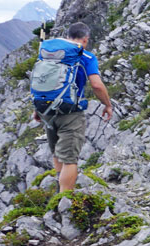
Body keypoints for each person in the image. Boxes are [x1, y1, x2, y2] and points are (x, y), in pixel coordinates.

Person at [31, 22, 113, 193]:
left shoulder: (49, 54)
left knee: (56, 152)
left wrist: (37, 108)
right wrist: (107, 104)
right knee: (70, 159)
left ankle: (58, 186)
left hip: (46, 109)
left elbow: (41, 81)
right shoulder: (86, 57)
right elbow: (97, 85)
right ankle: (65, 201)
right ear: (85, 39)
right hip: (70, 112)